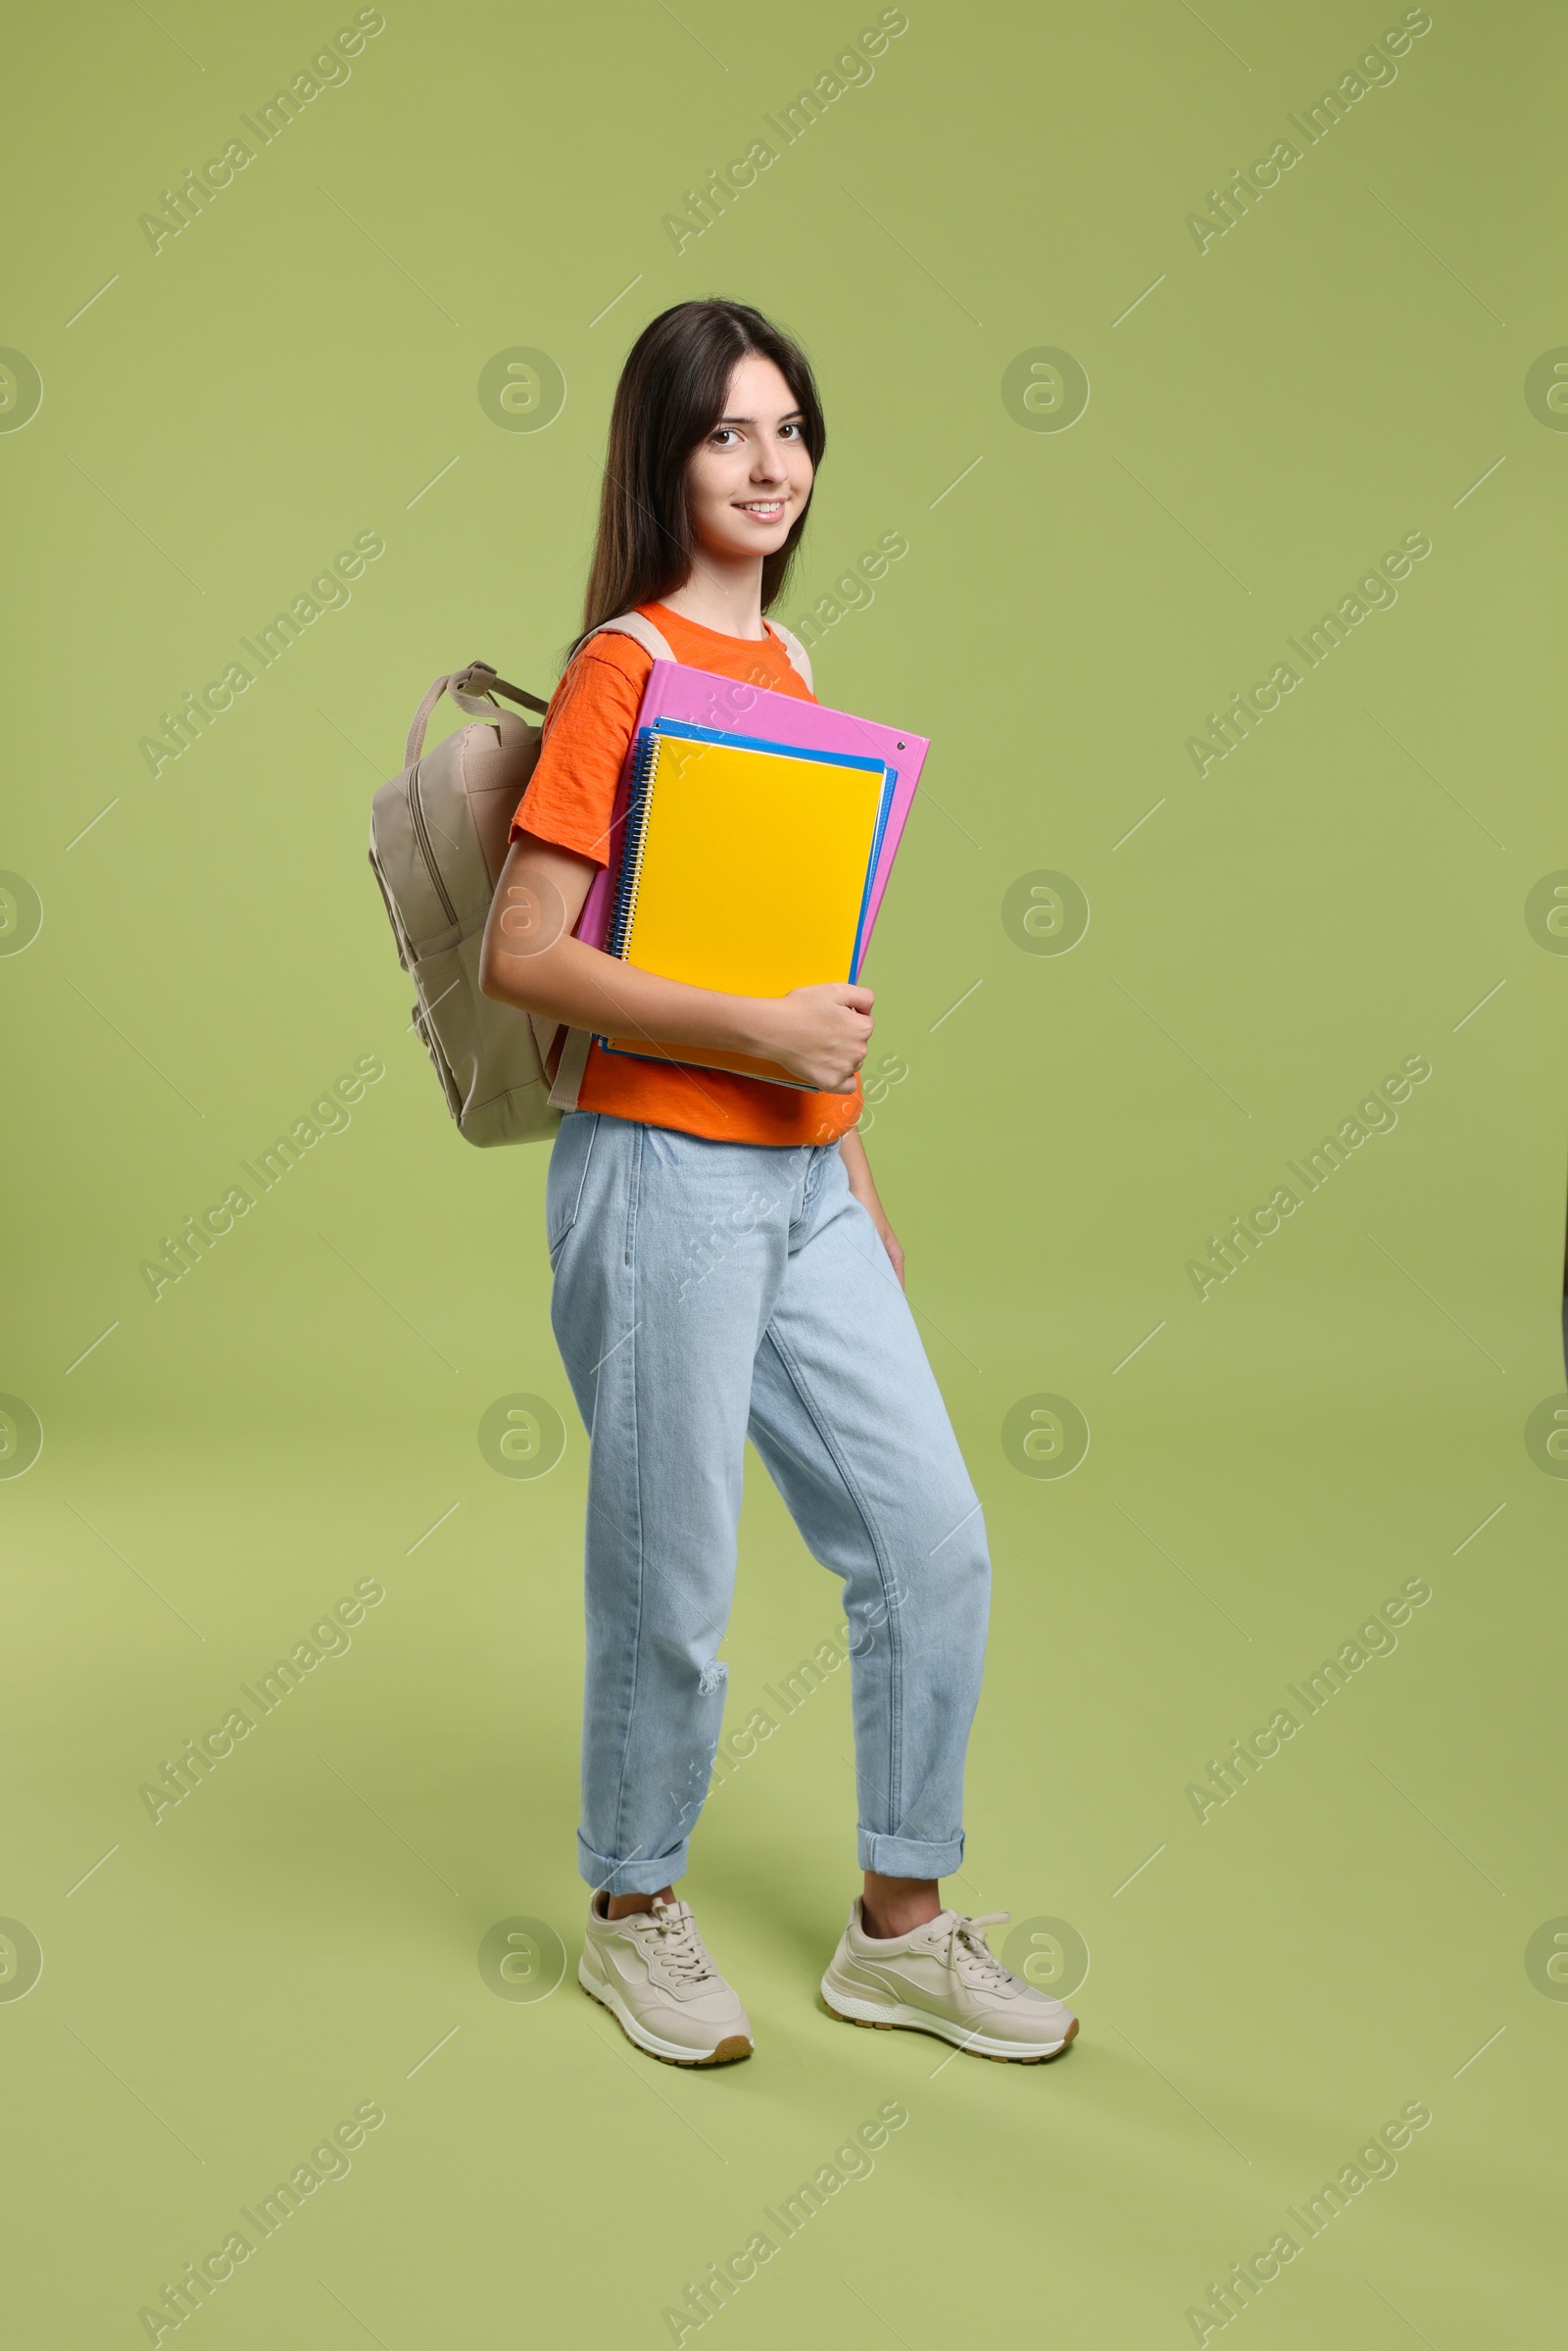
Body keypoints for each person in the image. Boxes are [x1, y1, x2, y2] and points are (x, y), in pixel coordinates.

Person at [479, 299, 1077, 2069]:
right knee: (671, 1580)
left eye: (792, 429)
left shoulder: (798, 674)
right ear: (665, 456)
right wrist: (758, 1034)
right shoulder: (624, 667)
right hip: (659, 1177)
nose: (770, 464)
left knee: (931, 1542)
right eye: (730, 432)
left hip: (804, 1183)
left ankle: (900, 1928)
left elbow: (806, 971)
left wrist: (855, 1166)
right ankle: (630, 1911)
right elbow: (526, 949)